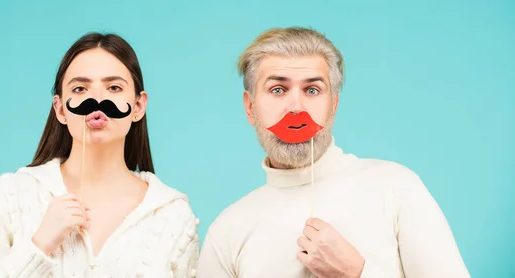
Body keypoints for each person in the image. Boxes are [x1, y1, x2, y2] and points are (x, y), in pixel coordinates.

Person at [196, 27, 470, 278]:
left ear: (333, 106)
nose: (296, 108)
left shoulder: (396, 187)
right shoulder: (227, 230)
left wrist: (357, 273)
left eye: (312, 90)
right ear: (250, 107)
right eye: (277, 89)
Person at [0, 33, 200, 277]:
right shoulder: (9, 197)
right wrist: (39, 245)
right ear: (60, 109)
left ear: (138, 106)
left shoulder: (172, 215)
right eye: (80, 89)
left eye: (114, 87)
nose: (97, 99)